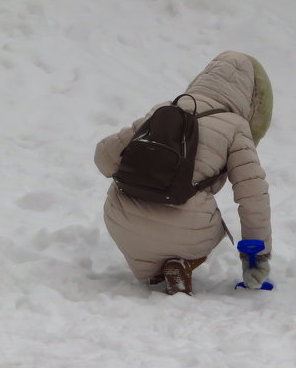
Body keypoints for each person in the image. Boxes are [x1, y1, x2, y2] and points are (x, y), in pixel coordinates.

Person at [94, 51, 273, 295]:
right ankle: (182, 263)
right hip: (185, 231)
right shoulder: (235, 127)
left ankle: (154, 270)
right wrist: (257, 255)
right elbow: (253, 196)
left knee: (146, 232)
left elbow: (104, 160)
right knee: (205, 223)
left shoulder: (166, 109)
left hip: (120, 218)